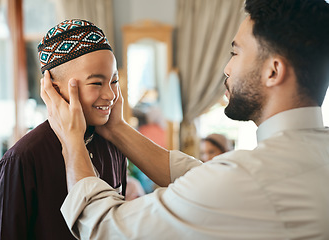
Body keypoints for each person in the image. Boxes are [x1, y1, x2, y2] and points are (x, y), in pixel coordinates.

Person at [41, 0, 329, 239]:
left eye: (235, 52)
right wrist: (116, 129)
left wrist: (73, 143)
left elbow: (105, 228)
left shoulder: (254, 178)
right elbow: (202, 178)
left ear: (273, 71)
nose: (227, 68)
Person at [0, 19, 127, 240]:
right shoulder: (22, 159)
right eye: (96, 83)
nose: (111, 95)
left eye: (114, 81)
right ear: (54, 88)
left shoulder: (114, 145)